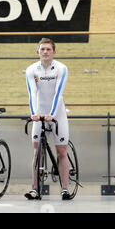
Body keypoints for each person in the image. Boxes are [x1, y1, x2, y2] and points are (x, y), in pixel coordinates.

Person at [25, 38, 70, 200]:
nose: (45, 52)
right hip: (39, 114)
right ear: (37, 52)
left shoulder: (61, 68)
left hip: (57, 114)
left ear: (54, 52)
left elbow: (58, 93)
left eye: (48, 49)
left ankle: (65, 188)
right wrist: (34, 113)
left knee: (61, 152)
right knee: (37, 152)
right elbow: (32, 93)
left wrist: (51, 114)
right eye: (42, 49)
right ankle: (35, 188)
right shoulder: (31, 69)